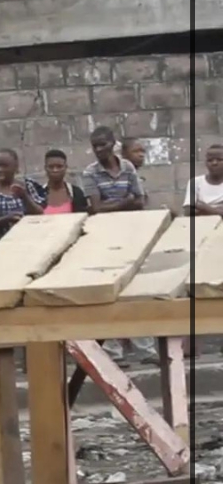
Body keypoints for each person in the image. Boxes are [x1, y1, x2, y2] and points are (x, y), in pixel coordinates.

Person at [82, 126, 152, 365]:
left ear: (113, 144)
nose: (99, 150)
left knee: (136, 291)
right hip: (104, 238)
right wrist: (126, 202)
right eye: (95, 146)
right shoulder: (89, 172)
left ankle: (145, 349)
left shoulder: (128, 167)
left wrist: (121, 204)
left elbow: (140, 201)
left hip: (131, 234)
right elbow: (96, 209)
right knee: (107, 292)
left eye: (103, 144)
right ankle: (113, 351)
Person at [0, 149, 44, 251]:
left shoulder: (28, 185)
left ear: (15, 167)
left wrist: (24, 196)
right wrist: (5, 219)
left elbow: (40, 214)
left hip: (28, 246)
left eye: (4, 166)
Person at [40, 149, 88, 214]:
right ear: (45, 168)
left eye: (59, 166)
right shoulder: (38, 195)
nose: (55, 170)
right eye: (51, 167)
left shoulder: (76, 193)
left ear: (66, 167)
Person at [187, 144, 223, 216]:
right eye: (210, 160)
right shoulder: (195, 182)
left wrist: (203, 207)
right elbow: (188, 211)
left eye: (219, 159)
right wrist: (218, 211)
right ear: (205, 163)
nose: (214, 163)